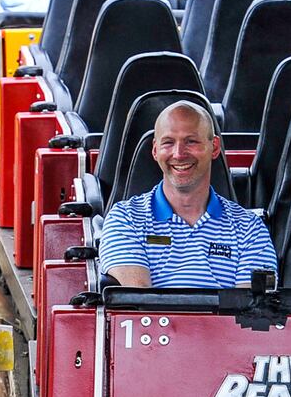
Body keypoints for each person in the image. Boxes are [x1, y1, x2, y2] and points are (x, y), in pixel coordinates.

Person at [98, 100, 277, 288]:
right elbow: (139, 305)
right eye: (168, 142)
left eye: (191, 141)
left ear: (215, 147)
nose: (179, 153)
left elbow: (251, 312)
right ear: (155, 150)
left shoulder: (250, 228)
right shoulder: (125, 218)